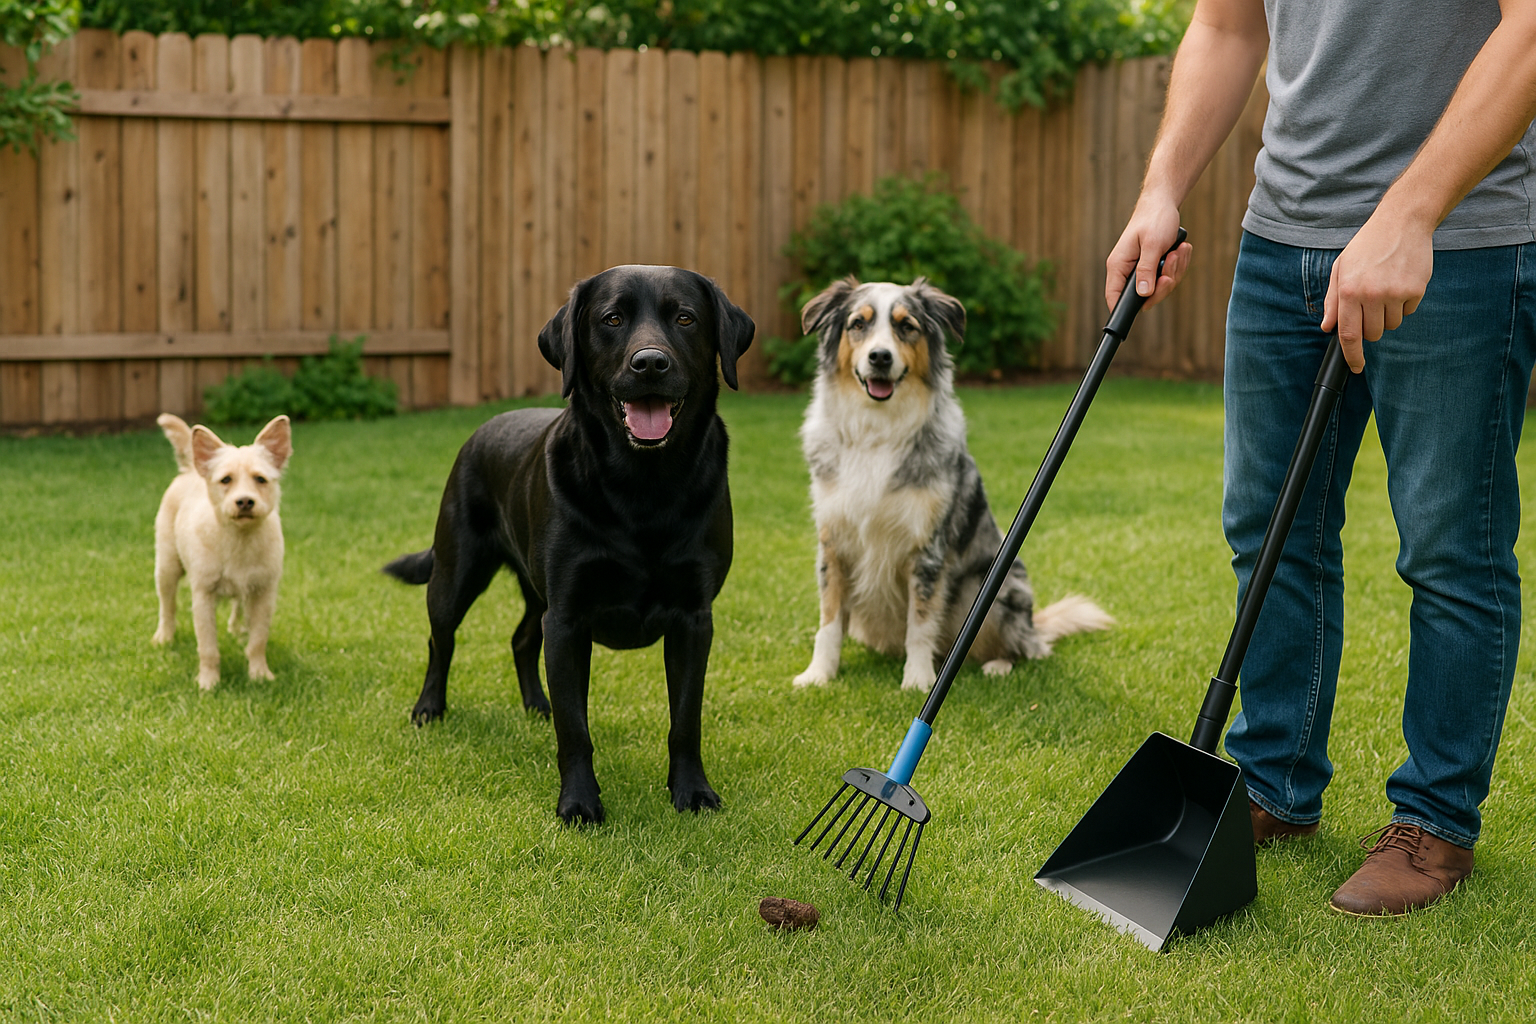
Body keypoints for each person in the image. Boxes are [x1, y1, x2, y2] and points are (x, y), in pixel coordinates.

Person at [1108, 0, 1536, 916]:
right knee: (1268, 530)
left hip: (1456, 240)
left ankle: (1433, 824)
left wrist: (1409, 213)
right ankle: (1272, 785)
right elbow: (1227, 28)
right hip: (1280, 241)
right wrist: (1161, 188)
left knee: (1451, 548)